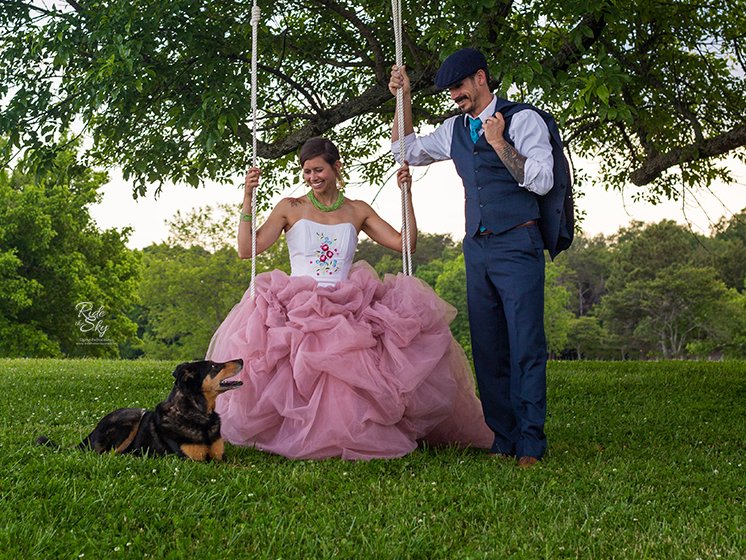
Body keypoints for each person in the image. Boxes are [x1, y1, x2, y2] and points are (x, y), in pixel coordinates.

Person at [206, 137, 494, 461]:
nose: (312, 177)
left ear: (336, 167)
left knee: (354, 361)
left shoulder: (357, 210)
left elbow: (406, 244)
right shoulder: (291, 207)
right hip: (300, 300)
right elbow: (248, 250)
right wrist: (248, 197)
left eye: (319, 170)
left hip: (347, 301)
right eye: (306, 171)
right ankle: (298, 431)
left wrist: (407, 194)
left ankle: (349, 432)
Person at [389, 48, 568, 468]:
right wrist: (405, 99)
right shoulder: (454, 129)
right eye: (450, 90)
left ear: (481, 78)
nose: (455, 95)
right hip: (477, 247)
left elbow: (542, 181)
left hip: (517, 244)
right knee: (488, 347)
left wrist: (498, 142)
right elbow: (404, 150)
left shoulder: (524, 120)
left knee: (525, 345)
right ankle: (503, 438)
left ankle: (530, 444)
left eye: (460, 86)